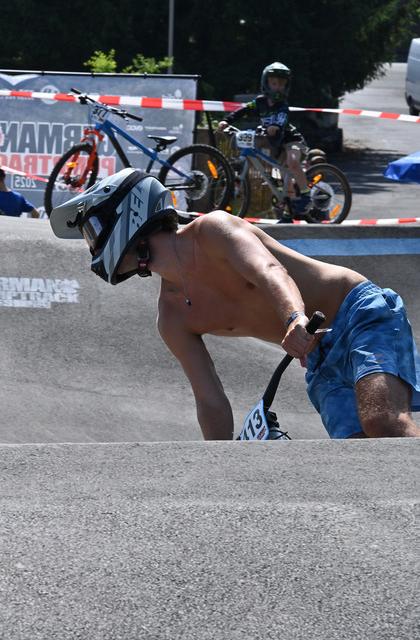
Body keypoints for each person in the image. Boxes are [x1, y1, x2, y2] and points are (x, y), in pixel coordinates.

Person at [50, 168, 420, 440]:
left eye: (93, 232)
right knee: (361, 456)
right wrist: (223, 466)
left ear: (128, 212)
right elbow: (210, 401)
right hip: (319, 362)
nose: (93, 247)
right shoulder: (172, 317)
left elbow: (270, 271)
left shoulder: (213, 230)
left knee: (383, 424)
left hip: (357, 312)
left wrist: (294, 317)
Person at [217, 62, 310, 223]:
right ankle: (287, 214)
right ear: (266, 84)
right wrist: (227, 120)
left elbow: (282, 118)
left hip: (291, 140)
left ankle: (306, 195)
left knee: (292, 162)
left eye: (281, 84)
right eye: (274, 84)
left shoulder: (282, 105)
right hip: (277, 145)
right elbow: (245, 110)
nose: (278, 88)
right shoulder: (260, 102)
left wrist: (276, 126)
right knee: (285, 178)